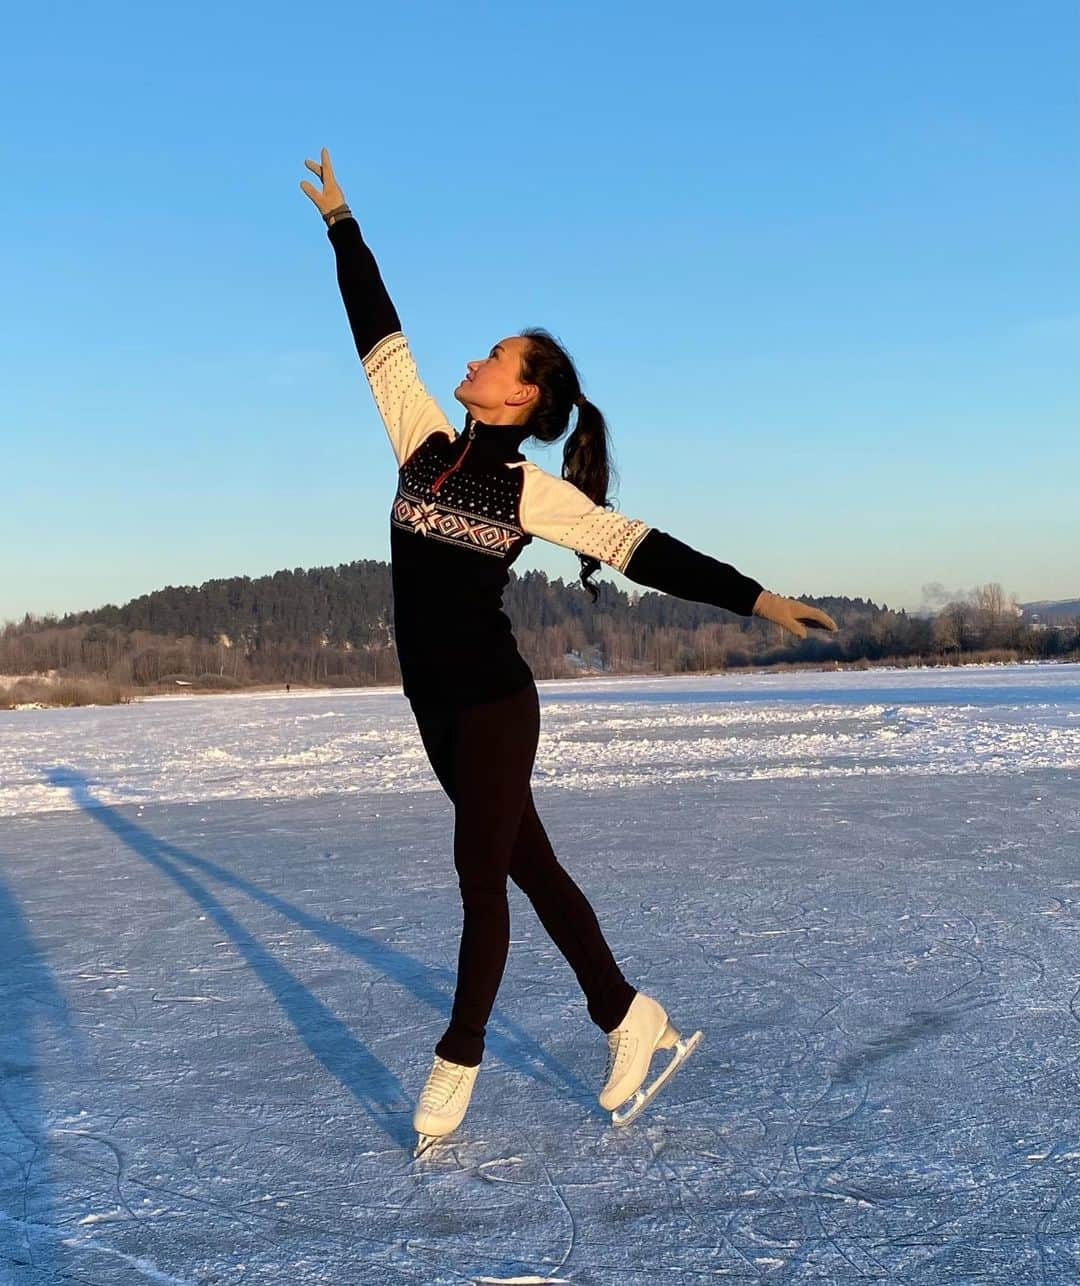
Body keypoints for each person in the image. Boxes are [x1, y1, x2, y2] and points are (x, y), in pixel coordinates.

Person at [300, 148, 838, 1154]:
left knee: (479, 878)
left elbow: (644, 550)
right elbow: (375, 327)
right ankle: (630, 1015)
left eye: (496, 356)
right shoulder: (419, 439)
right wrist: (342, 223)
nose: (477, 359)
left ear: (518, 400)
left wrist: (758, 598)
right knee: (531, 871)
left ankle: (457, 1059)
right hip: (435, 710)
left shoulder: (532, 494)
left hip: (497, 703)